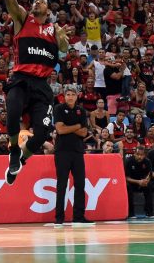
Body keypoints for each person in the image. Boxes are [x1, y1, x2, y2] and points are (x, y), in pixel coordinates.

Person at [0, 0, 73, 184]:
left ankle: (21, 159)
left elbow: (64, 48)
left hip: (42, 85)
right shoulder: (22, 18)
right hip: (21, 79)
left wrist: (61, 38)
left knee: (43, 133)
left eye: (42, 1)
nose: (37, 2)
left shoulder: (54, 28)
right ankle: (14, 151)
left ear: (48, 10)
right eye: (35, 0)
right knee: (12, 113)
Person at [53, 88, 93, 226]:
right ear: (64, 97)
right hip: (62, 151)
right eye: (68, 94)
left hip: (77, 151)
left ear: (77, 97)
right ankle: (59, 217)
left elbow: (84, 133)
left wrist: (68, 127)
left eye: (73, 94)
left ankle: (79, 216)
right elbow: (60, 130)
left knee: (80, 184)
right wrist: (76, 126)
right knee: (62, 184)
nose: (70, 97)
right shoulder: (58, 108)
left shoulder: (81, 111)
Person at [125, 146, 154, 218]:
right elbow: (126, 177)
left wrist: (146, 181)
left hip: (143, 182)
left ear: (144, 155)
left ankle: (149, 212)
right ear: (134, 154)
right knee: (128, 187)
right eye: (138, 154)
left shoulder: (147, 161)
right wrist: (138, 182)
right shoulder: (128, 161)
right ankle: (131, 213)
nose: (139, 157)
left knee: (149, 186)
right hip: (132, 182)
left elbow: (149, 173)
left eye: (141, 155)